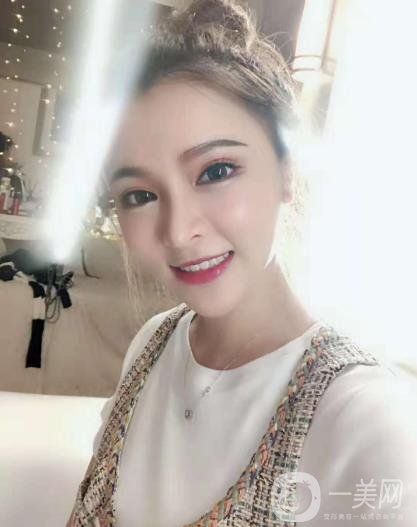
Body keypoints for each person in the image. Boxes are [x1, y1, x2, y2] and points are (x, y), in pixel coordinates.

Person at [67, 1, 417, 525]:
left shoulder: (368, 421)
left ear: (286, 172)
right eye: (139, 195)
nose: (179, 231)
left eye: (216, 171)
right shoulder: (153, 344)